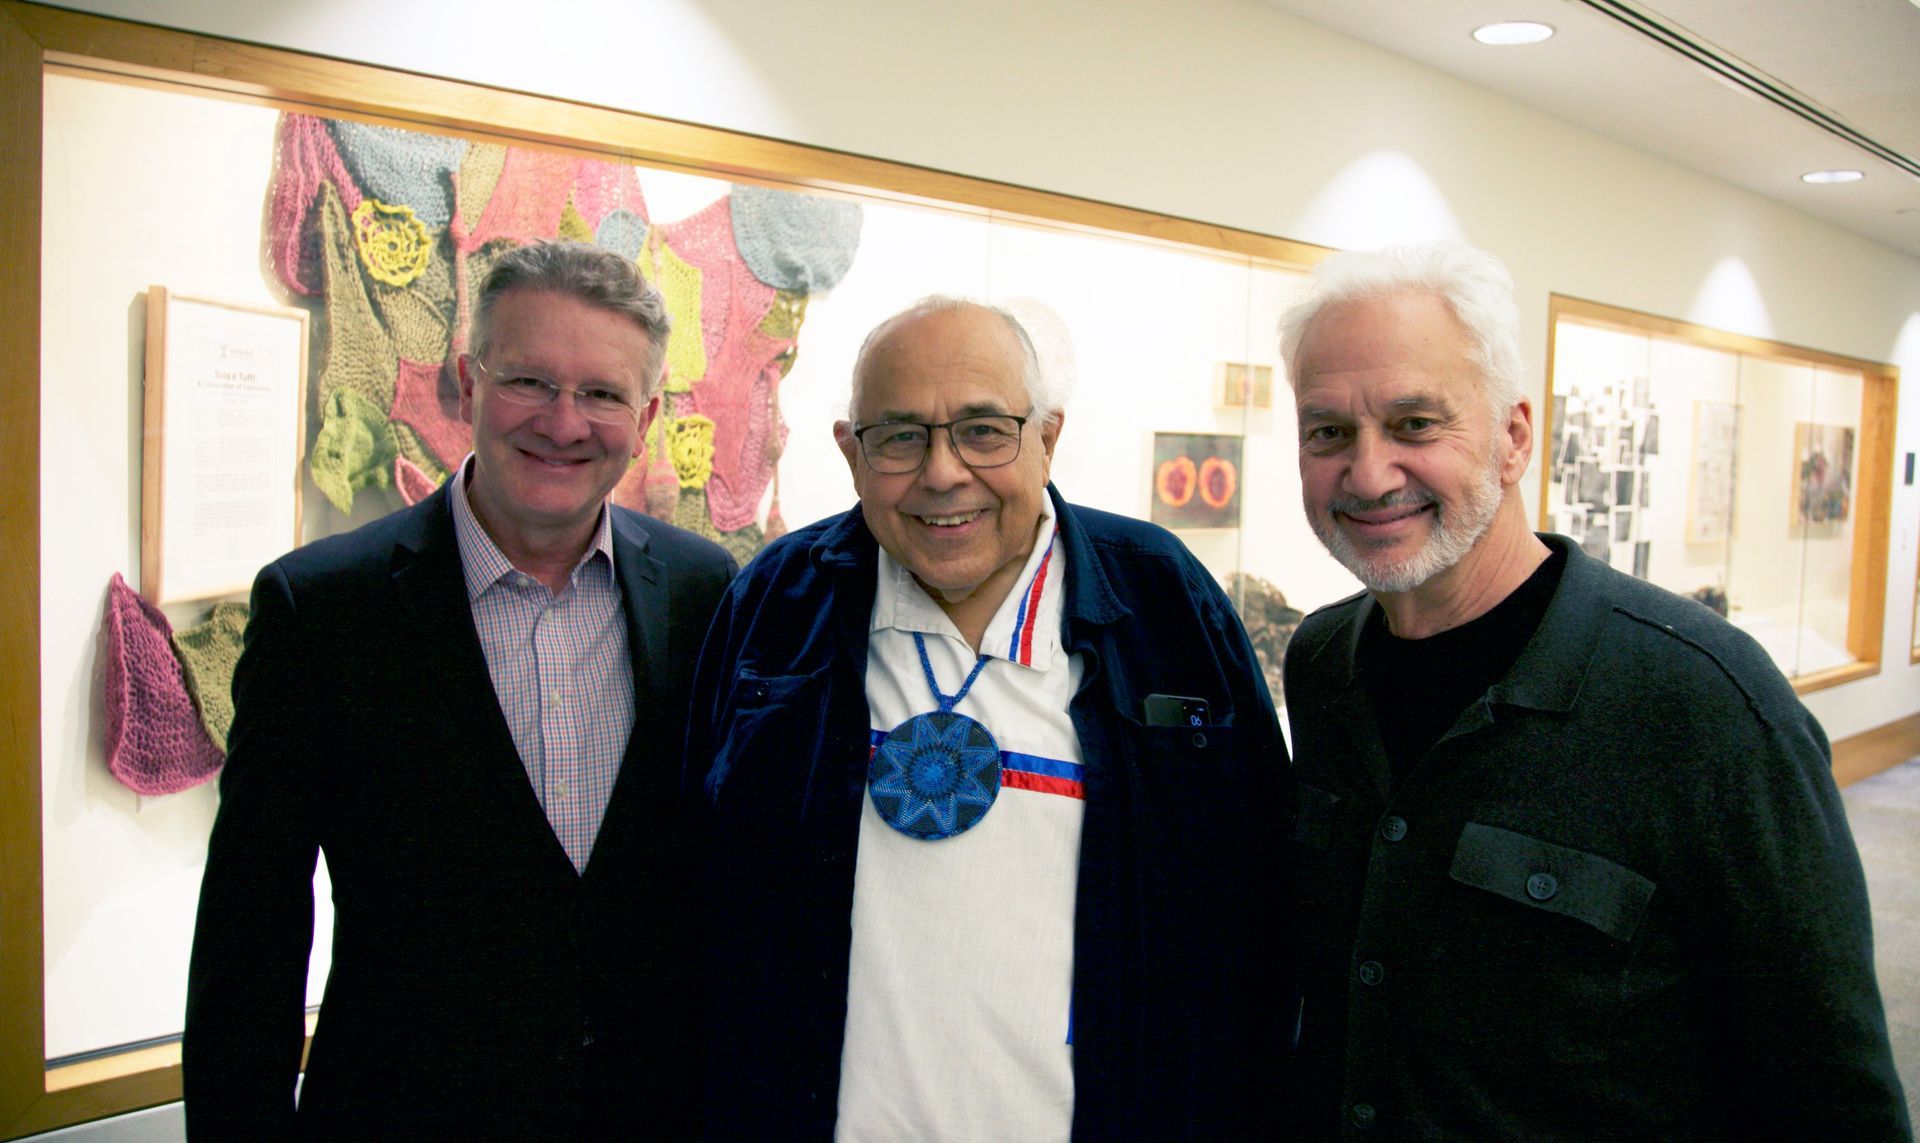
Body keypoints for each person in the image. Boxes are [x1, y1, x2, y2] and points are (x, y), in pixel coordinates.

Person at [1279, 240, 1909, 1139]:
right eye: (1328, 431)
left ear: (1514, 435)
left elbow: (1830, 1098)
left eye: (1416, 424)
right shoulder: (1321, 663)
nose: (1369, 473)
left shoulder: (1707, 707)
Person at [686, 297, 1289, 1140]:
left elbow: (1260, 913)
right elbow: (694, 896)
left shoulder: (1166, 601)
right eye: (900, 436)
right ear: (850, 454)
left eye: (982, 429)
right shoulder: (778, 602)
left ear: (1047, 437)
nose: (942, 472)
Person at [183, 241, 736, 1139]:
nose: (563, 423)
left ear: (648, 415)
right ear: (467, 384)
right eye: (528, 381)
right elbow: (253, 933)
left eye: (601, 392)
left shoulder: (705, 591)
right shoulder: (322, 609)